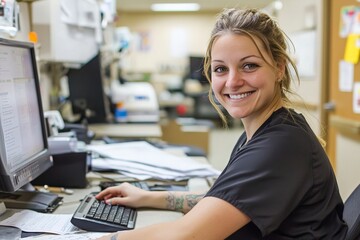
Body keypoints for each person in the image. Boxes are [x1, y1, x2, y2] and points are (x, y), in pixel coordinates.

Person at [96, 8, 348, 239]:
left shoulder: (281, 145)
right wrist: (149, 197)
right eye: (220, 69)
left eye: (249, 66)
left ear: (279, 68)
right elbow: (222, 201)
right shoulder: (261, 132)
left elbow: (186, 236)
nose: (232, 81)